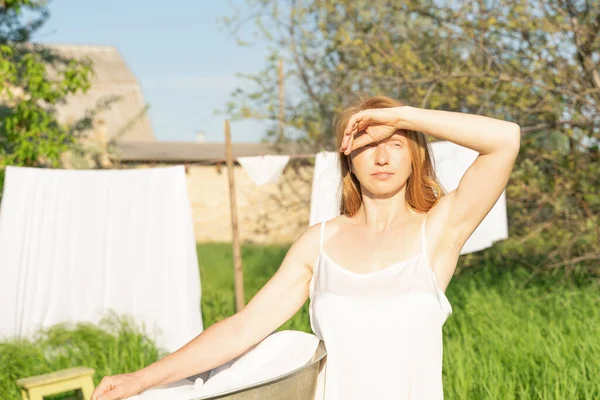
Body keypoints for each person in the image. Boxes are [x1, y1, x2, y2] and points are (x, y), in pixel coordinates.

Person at [91, 94, 520, 400]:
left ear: (414, 156)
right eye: (368, 146)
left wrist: (401, 115)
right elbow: (244, 328)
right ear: (348, 159)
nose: (382, 158)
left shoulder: (440, 228)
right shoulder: (319, 242)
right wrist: (141, 379)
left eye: (395, 144)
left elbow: (505, 139)